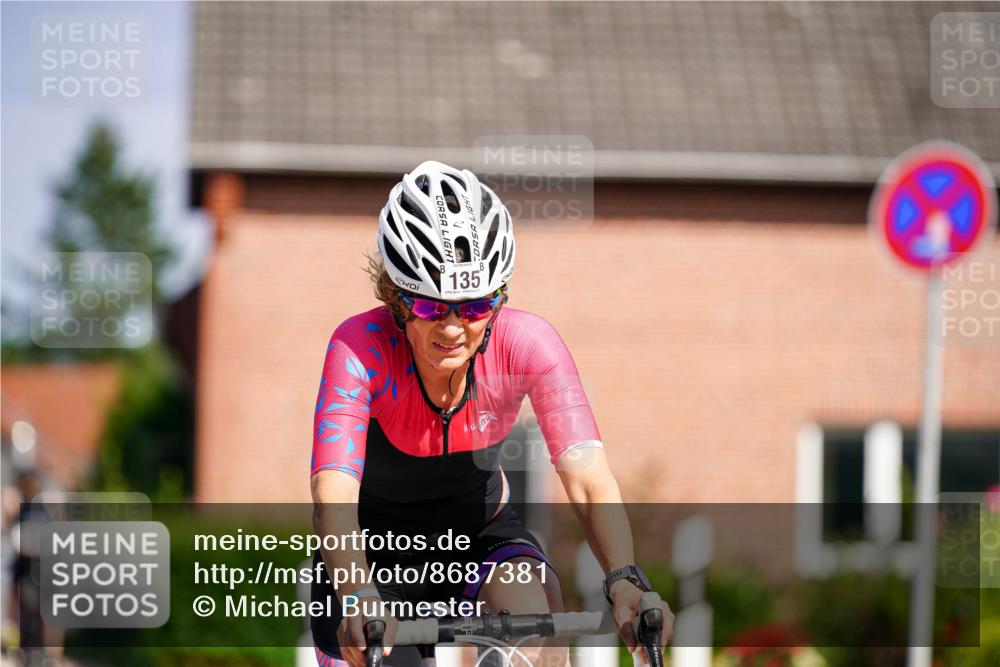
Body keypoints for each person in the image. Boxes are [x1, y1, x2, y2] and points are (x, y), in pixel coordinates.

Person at [310, 161, 673, 667]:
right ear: (395, 298)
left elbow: (588, 478)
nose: (454, 327)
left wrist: (624, 577)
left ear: (499, 298)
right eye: (430, 307)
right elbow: (334, 495)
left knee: (537, 633)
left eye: (476, 305)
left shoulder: (528, 344)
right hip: (373, 549)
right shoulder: (359, 349)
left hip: (480, 534)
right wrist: (354, 593)